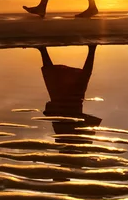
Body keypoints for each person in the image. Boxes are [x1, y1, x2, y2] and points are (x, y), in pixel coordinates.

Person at [37, 45, 102, 181]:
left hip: (67, 107)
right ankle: (91, 49)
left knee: (61, 78)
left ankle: (92, 49)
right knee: (55, 77)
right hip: (68, 107)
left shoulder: (72, 158)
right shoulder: (73, 158)